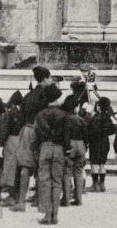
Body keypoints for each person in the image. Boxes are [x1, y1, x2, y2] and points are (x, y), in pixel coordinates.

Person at [10, 65, 51, 213]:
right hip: (42, 131)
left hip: (27, 129)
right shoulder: (48, 95)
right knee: (42, 168)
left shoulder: (28, 96)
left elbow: (21, 116)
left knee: (25, 167)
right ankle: (41, 203)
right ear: (46, 78)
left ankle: (21, 201)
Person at [33, 83, 66, 225]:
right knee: (57, 182)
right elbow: (67, 135)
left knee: (45, 182)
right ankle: (55, 215)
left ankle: (47, 214)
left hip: (44, 147)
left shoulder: (40, 115)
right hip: (59, 149)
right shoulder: (63, 115)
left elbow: (36, 135)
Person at [61, 95, 87, 207]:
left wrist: (66, 148)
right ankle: (79, 198)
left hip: (70, 144)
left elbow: (65, 135)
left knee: (67, 172)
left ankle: (66, 199)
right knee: (78, 172)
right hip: (80, 144)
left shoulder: (65, 118)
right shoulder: (81, 120)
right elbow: (86, 135)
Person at [0, 90, 23, 207]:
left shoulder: (9, 113)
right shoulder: (23, 112)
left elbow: (4, 130)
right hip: (22, 140)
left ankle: (11, 196)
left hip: (11, 140)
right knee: (18, 168)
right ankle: (18, 195)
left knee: (9, 168)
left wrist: (1, 144)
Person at [88, 96, 115, 193]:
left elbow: (91, 129)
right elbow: (112, 129)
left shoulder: (96, 117)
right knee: (102, 164)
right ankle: (102, 184)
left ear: (99, 106)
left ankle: (95, 184)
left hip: (95, 142)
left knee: (94, 164)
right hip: (104, 141)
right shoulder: (107, 117)